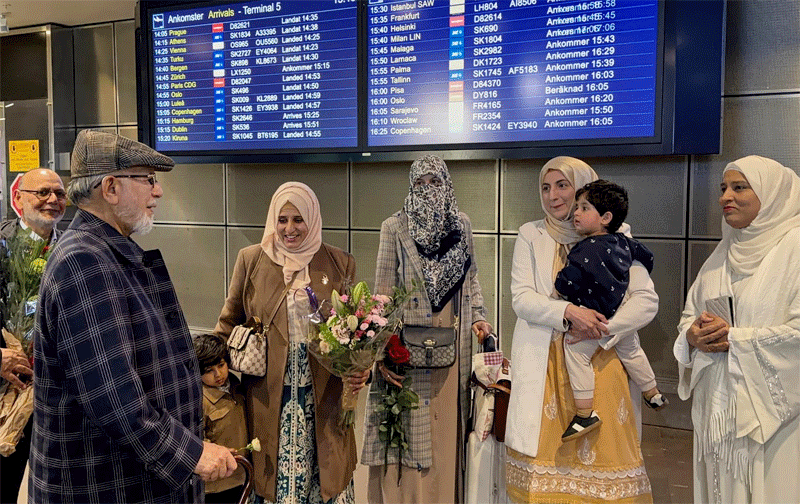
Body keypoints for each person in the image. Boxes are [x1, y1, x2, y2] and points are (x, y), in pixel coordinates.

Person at [31, 129, 236, 503]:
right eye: (148, 180)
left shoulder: (104, 252)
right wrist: (190, 454)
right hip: (107, 488)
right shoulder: (84, 261)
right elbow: (112, 395)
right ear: (110, 188)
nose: (158, 192)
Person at [505, 156, 657, 503]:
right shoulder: (531, 233)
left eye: (563, 185)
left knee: (606, 465)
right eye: (546, 187)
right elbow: (522, 299)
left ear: (585, 190)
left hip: (603, 359)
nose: (553, 196)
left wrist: (602, 327)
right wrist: (570, 312)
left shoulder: (618, 237)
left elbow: (646, 301)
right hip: (545, 367)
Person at [215, 181, 368, 504]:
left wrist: (362, 368)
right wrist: (208, 378)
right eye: (282, 220)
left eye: (298, 220)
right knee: (271, 479)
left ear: (312, 219)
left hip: (325, 396)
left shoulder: (339, 262)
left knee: (326, 478)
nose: (289, 228)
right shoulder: (251, 260)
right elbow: (227, 324)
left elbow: (358, 329)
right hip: (268, 397)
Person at [362, 154, 492, 503]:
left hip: (453, 345)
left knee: (446, 431)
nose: (427, 189)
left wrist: (479, 316)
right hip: (409, 350)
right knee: (413, 435)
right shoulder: (395, 227)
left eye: (435, 182)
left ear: (447, 184)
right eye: (419, 183)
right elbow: (383, 293)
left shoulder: (461, 225)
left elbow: (471, 277)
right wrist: (382, 354)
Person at [673, 155, 800, 503]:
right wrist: (692, 336)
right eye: (723, 188)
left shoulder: (794, 248)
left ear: (771, 193)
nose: (725, 197)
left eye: (739, 187)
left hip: (773, 420)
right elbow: (690, 314)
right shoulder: (724, 251)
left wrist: (735, 338)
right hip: (718, 412)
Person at [554, 180, 666, 442]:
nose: (576, 213)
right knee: (632, 350)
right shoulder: (625, 243)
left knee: (575, 352)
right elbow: (646, 255)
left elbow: (567, 282)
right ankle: (652, 392)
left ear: (605, 218)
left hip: (594, 317)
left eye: (584, 208)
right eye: (577, 207)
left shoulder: (584, 249)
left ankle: (584, 413)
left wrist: (560, 282)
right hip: (621, 313)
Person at [0, 167, 65, 504]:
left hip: (52, 390)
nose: (52, 200)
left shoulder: (72, 248)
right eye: (42, 192)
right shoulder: (1, 244)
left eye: (59, 193)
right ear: (18, 198)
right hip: (5, 389)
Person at [193, 333, 249, 504]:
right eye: (209, 370)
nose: (218, 374)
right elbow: (197, 439)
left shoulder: (235, 384)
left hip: (242, 475)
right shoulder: (199, 399)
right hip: (215, 485)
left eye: (221, 365)